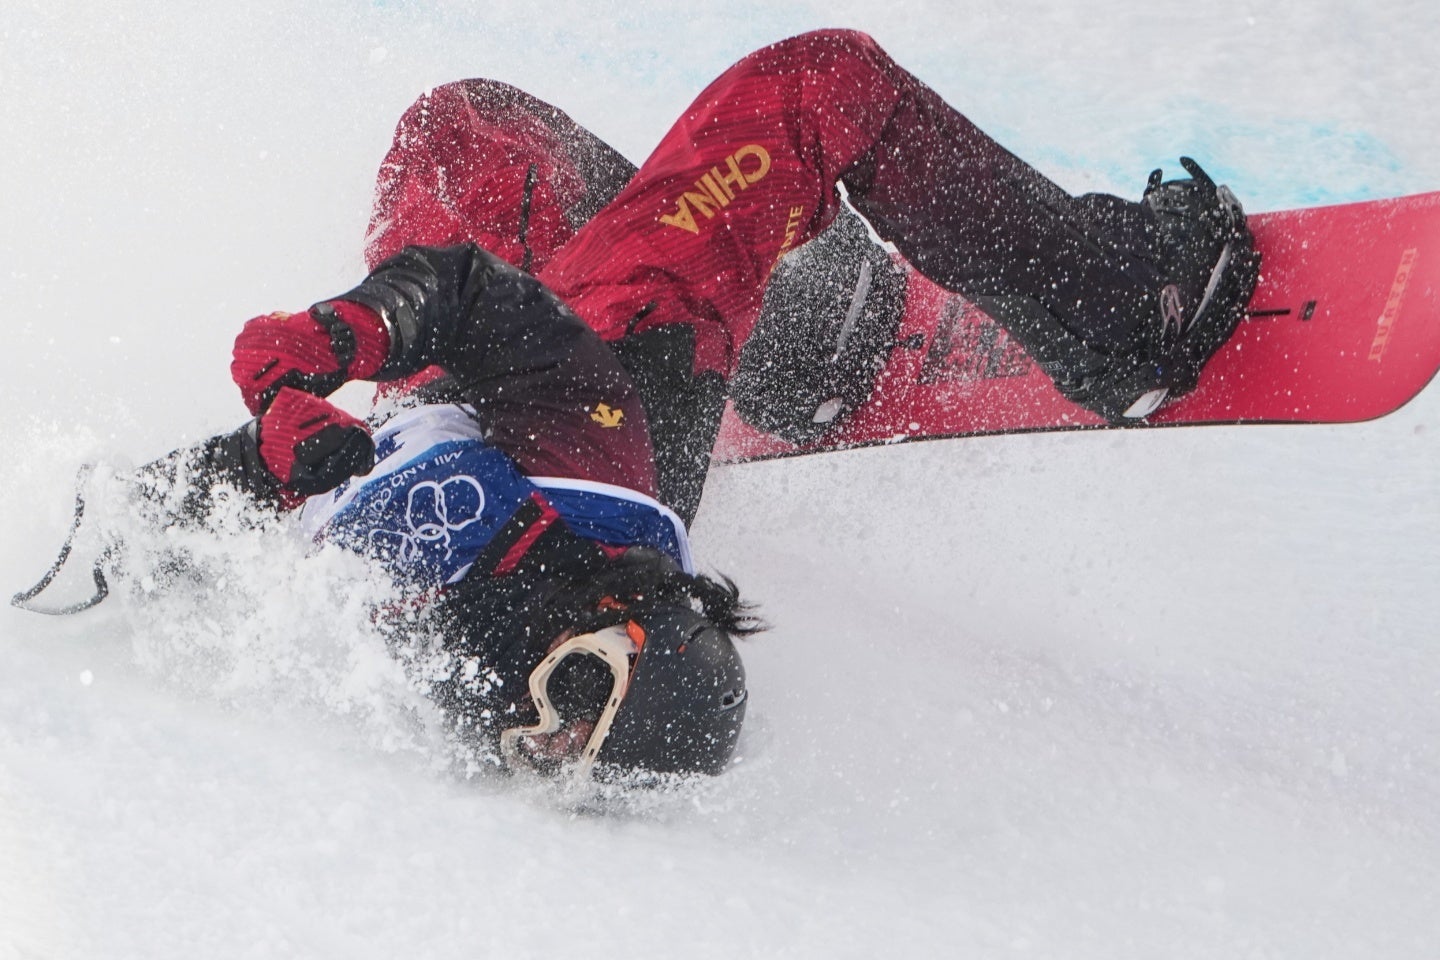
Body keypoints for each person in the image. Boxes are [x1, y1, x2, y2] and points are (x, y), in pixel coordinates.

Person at [32, 30, 1260, 783]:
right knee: (824, 83)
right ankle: (1122, 314)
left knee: (461, 133)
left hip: (461, 389)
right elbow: (467, 300)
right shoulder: (585, 462)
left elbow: (245, 496)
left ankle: (800, 325)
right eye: (572, 705)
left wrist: (152, 515)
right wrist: (332, 339)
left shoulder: (444, 637)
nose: (537, 730)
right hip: (613, 351)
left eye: (551, 723)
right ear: (617, 617)